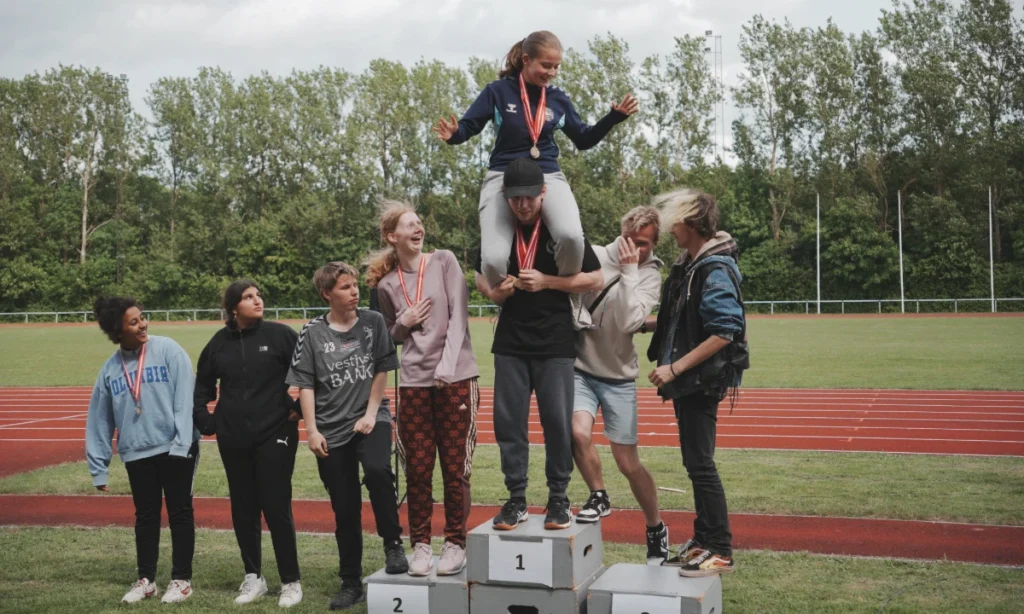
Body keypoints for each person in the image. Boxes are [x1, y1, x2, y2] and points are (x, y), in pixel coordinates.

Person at [435, 30, 638, 288]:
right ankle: (510, 298)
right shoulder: (498, 92)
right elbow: (468, 126)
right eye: (546, 65)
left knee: (571, 236)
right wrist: (454, 135)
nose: (551, 72)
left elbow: (584, 140)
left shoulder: (557, 99)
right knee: (493, 261)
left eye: (556, 67)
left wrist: (613, 118)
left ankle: (565, 293)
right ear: (527, 59)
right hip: (503, 175)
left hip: (547, 174)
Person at [475, 157, 604, 531]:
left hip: (555, 341)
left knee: (557, 425)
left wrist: (547, 281)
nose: (523, 205)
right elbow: (479, 273)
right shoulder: (499, 231)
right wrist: (494, 292)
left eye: (529, 197)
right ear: (506, 198)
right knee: (509, 424)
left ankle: (558, 499)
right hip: (511, 342)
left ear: (543, 193)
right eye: (515, 199)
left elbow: (594, 278)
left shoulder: (562, 231)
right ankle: (516, 499)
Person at [367, 202, 480, 577]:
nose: (418, 228)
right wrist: (403, 322)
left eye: (419, 222)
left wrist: (448, 366)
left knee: (453, 467)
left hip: (455, 377)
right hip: (414, 383)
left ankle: (454, 543)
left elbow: (459, 316)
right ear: (392, 237)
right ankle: (419, 545)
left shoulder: (445, 261)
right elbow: (389, 338)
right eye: (409, 225)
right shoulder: (386, 285)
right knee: (416, 468)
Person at [286, 261, 407, 611]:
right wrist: (311, 430)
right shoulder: (311, 332)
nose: (354, 291)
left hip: (371, 416)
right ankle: (350, 581)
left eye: (354, 285)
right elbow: (304, 384)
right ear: (327, 294)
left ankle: (393, 545)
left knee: (379, 471)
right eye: (345, 287)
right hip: (330, 429)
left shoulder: (372, 322)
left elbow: (383, 369)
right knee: (345, 506)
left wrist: (371, 414)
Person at [646, 189, 746, 578]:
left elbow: (724, 330)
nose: (670, 229)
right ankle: (705, 540)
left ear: (689, 224)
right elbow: (687, 319)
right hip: (693, 380)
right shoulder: (693, 265)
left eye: (674, 221)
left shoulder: (713, 267)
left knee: (701, 464)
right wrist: (642, 323)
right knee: (695, 462)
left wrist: (675, 368)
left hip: (701, 381)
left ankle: (719, 548)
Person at [193, 280, 303, 607]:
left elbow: (313, 374)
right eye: (248, 297)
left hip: (276, 432)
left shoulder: (280, 335)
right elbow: (202, 388)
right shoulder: (218, 344)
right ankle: (254, 578)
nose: (258, 300)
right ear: (233, 308)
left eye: (259, 295)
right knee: (243, 508)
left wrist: (297, 409)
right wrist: (206, 421)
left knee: (275, 504)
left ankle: (290, 581)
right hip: (233, 436)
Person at [571, 206, 669, 565]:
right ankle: (599, 494)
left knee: (628, 463)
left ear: (654, 244)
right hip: (580, 368)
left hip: (619, 377)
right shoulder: (593, 256)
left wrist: (629, 272)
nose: (636, 249)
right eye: (631, 241)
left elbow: (630, 322)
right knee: (577, 433)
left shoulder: (650, 276)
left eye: (644, 244)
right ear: (621, 233)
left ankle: (655, 526)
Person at [85, 296, 199, 604]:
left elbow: (185, 399)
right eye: (134, 322)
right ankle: (147, 580)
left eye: (143, 317)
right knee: (146, 517)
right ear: (117, 331)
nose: (143, 324)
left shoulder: (168, 350)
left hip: (175, 448)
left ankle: (181, 580)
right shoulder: (110, 370)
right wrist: (99, 466)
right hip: (137, 452)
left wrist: (181, 442)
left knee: (180, 512)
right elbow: (99, 418)